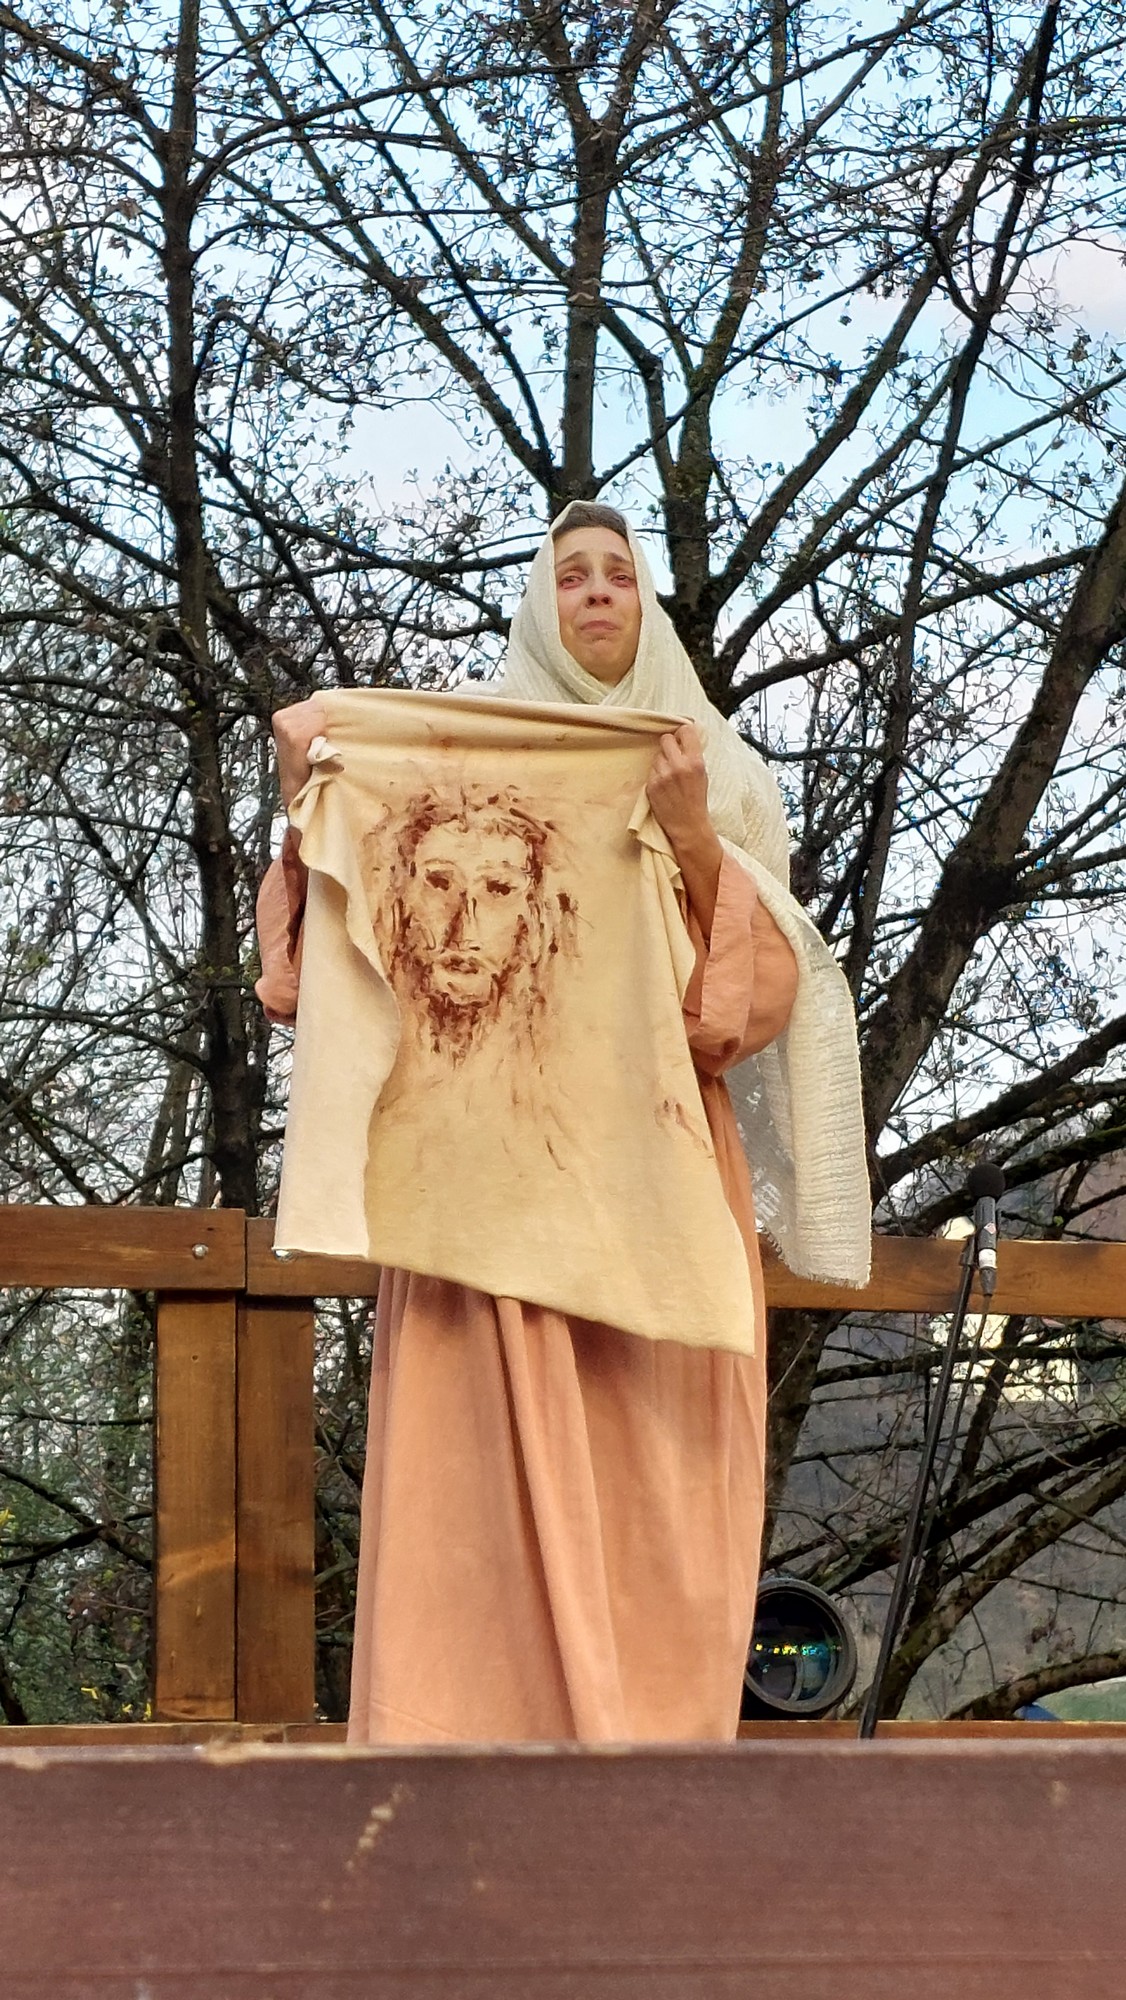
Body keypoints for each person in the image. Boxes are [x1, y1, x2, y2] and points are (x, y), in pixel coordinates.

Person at [256, 500, 867, 1743]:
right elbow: (316, 982)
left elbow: (741, 1011)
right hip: (476, 1204)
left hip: (654, 1193)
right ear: (540, 606)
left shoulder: (721, 770)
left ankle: (648, 1799)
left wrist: (690, 834)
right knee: (470, 1508)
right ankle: (454, 1803)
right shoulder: (444, 764)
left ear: (647, 605)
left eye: (618, 575)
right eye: (570, 574)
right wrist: (307, 799)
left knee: (660, 1501)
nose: (595, 591)